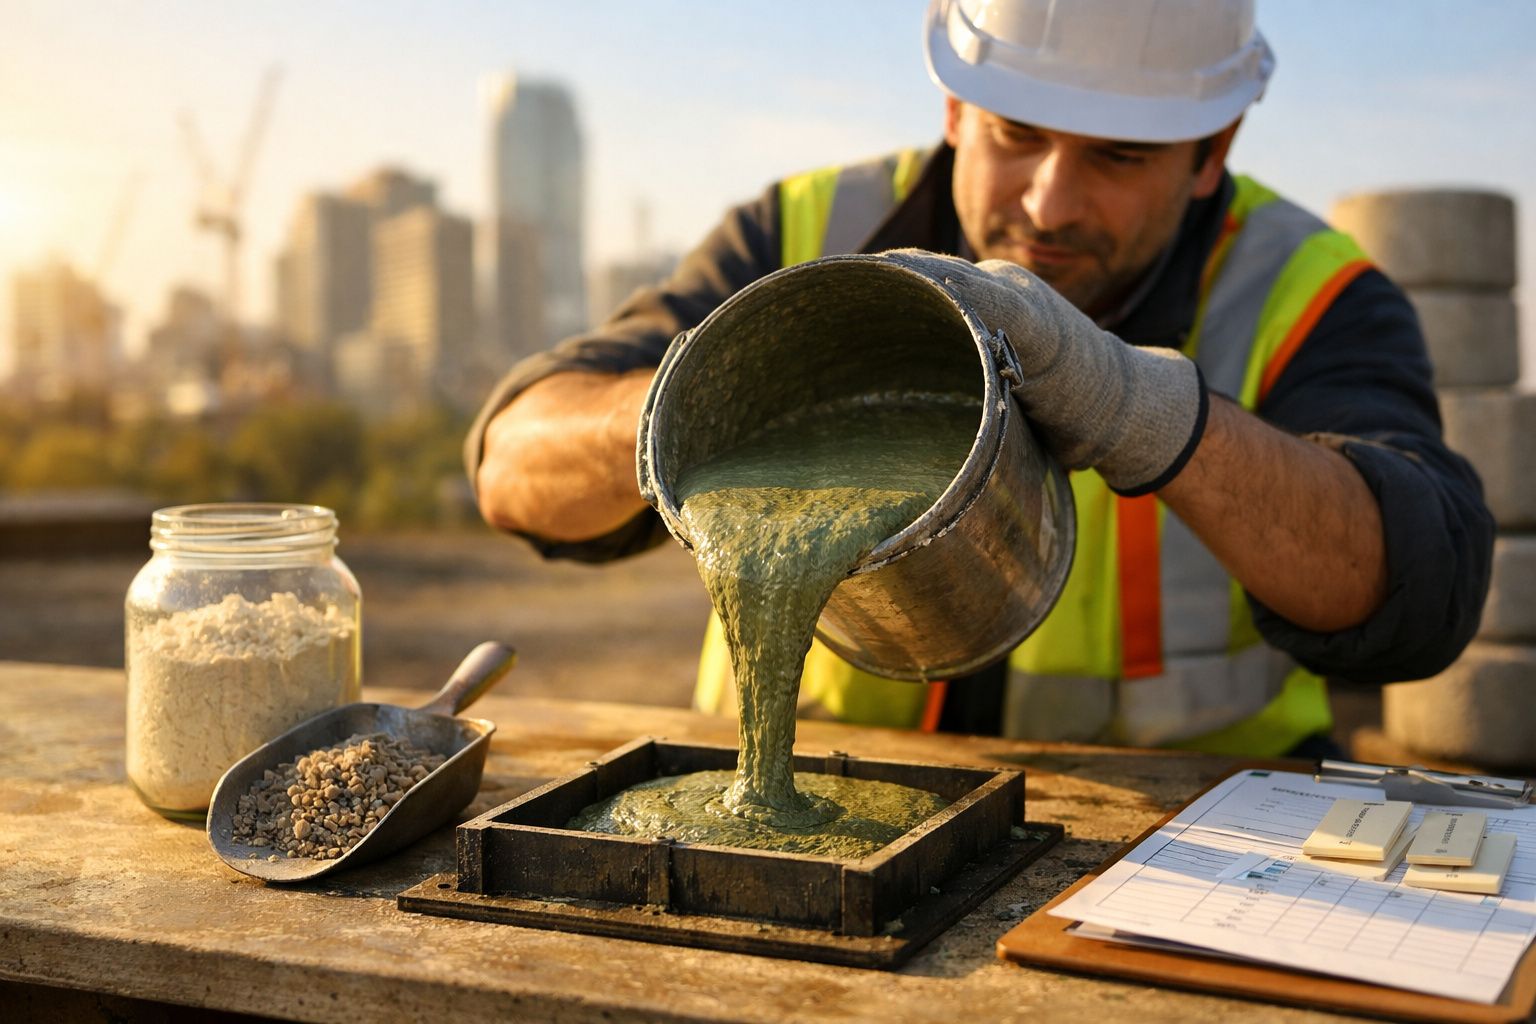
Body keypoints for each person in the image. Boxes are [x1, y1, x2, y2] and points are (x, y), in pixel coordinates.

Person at [465, 0, 1493, 758]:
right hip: (825, 791)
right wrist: (703, 400)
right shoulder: (808, 232)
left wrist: (1145, 412)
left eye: (1119, 158)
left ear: (1211, 148)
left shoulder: (1305, 291)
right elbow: (513, 464)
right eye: (1018, 136)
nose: (1050, 203)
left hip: (1193, 849)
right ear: (956, 107)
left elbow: (1417, 588)